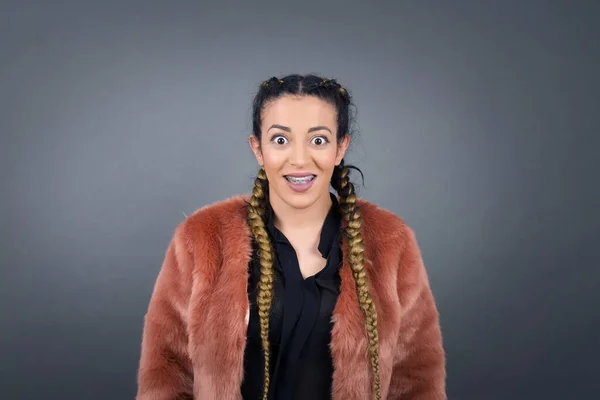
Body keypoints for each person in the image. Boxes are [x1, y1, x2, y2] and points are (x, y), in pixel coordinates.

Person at [136, 74, 446, 400]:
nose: (299, 159)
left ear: (341, 147)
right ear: (258, 148)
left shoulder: (390, 242)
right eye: (281, 140)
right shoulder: (202, 238)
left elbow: (416, 380)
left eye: (318, 140)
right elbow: (167, 376)